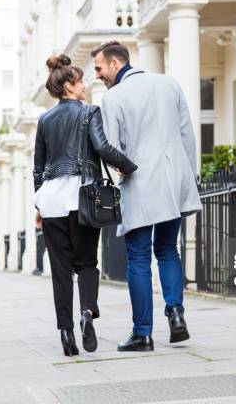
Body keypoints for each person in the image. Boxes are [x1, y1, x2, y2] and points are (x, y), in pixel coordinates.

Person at [91, 41, 202, 352]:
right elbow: (187, 136)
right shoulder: (169, 83)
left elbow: (112, 148)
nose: (97, 75)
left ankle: (143, 333)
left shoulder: (113, 98)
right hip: (174, 181)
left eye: (99, 68)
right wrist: (187, 179)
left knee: (138, 257)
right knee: (167, 250)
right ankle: (176, 312)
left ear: (115, 64)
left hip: (140, 182)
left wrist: (118, 178)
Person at [33, 53, 138, 356]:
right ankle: (87, 313)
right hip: (82, 196)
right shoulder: (90, 112)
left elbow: (38, 167)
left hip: (52, 199)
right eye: (79, 82)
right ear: (68, 86)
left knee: (61, 269)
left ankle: (66, 333)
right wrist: (130, 167)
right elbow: (103, 148)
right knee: (87, 264)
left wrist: (38, 202)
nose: (84, 86)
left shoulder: (44, 120)